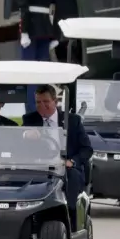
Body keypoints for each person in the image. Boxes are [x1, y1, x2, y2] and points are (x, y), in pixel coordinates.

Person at [21, 84, 92, 229]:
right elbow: (17, 146)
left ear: (55, 101)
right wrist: (25, 135)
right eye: (38, 102)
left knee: (71, 177)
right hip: (38, 166)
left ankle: (71, 218)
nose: (42, 106)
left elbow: (87, 149)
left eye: (46, 102)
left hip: (65, 166)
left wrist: (73, 161)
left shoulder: (72, 120)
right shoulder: (30, 120)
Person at [15, 0, 61, 113]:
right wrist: (55, 35)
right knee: (42, 74)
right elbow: (59, 8)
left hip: (31, 31)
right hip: (45, 30)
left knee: (29, 74)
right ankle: (44, 110)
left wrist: (25, 32)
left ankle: (31, 111)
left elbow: (23, 8)